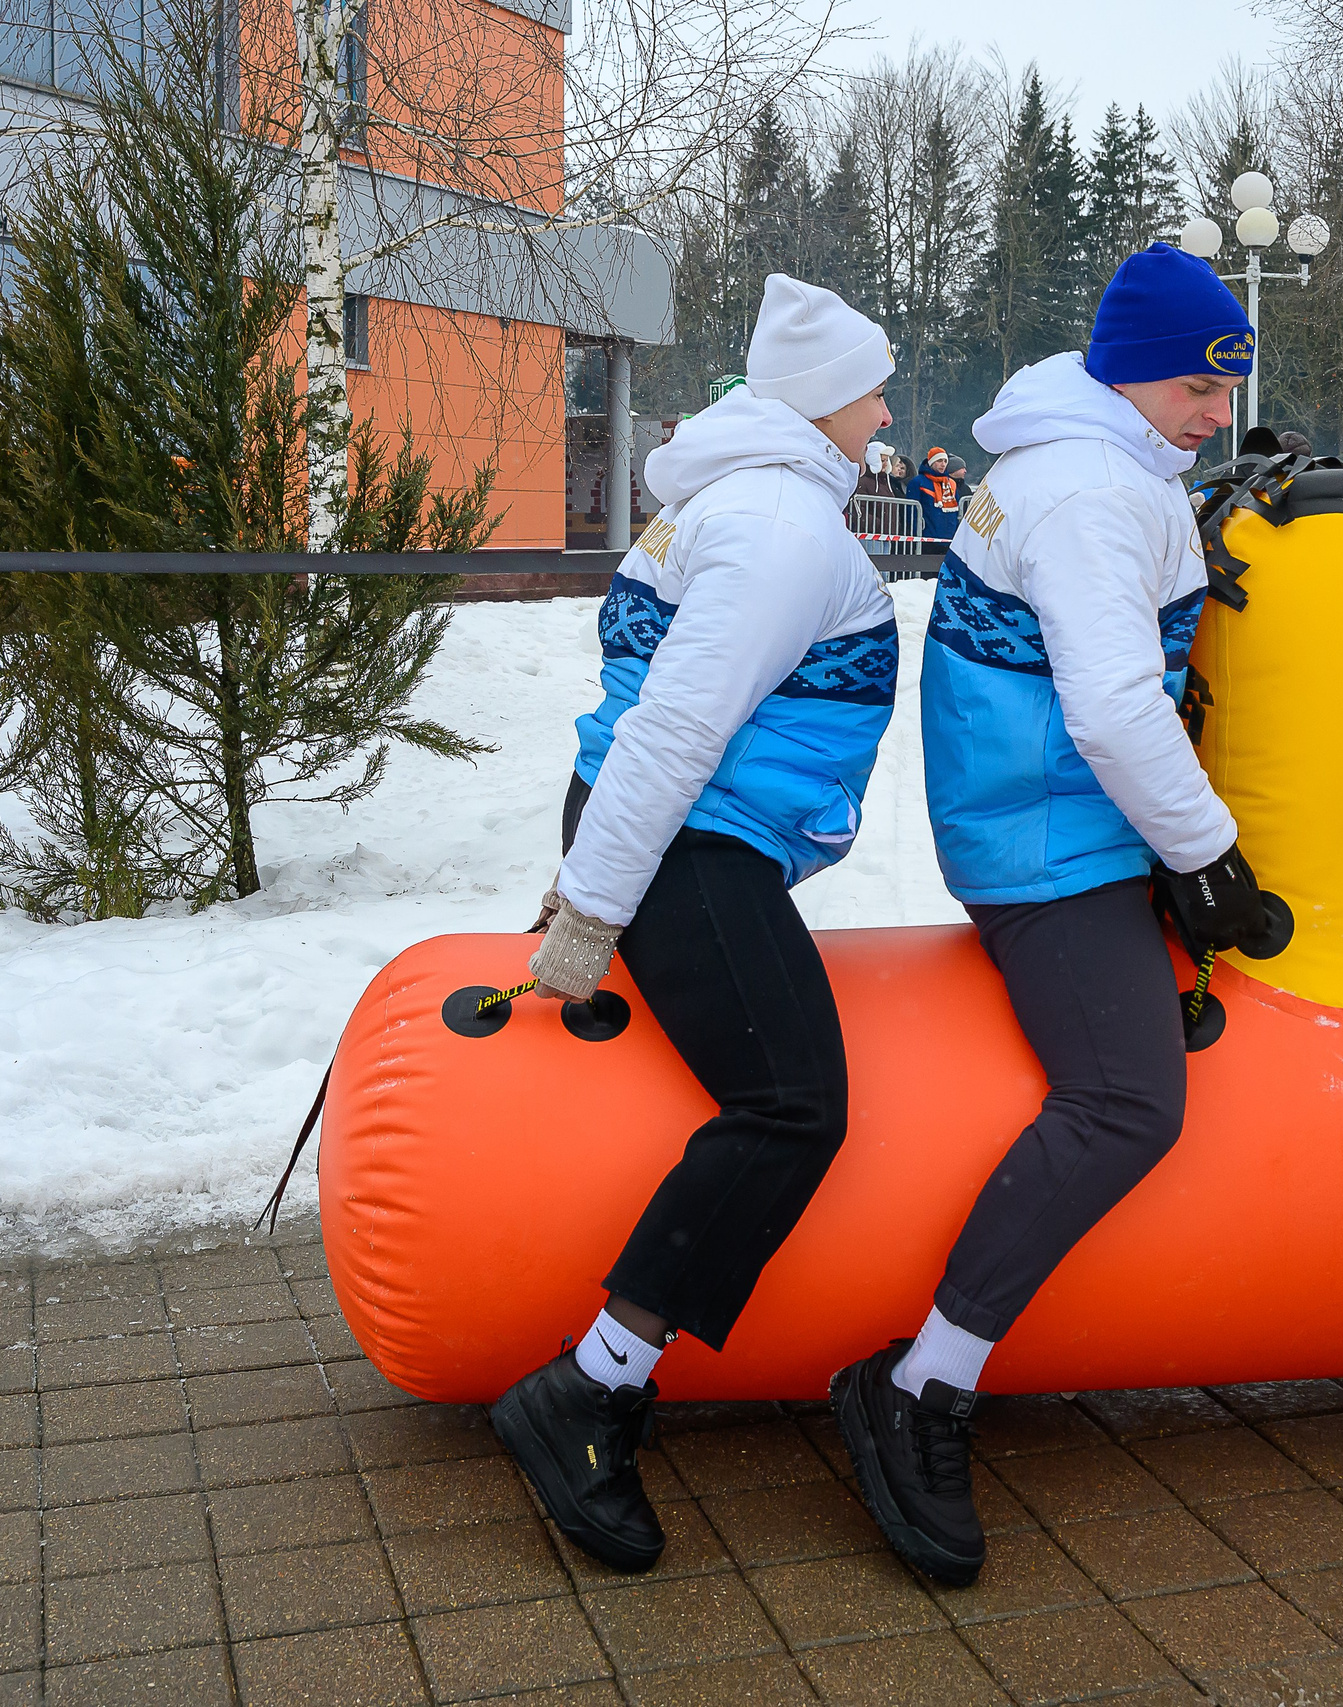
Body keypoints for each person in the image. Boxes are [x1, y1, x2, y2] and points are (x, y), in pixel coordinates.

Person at [829, 243, 1288, 1589]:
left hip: (1058, 809)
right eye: (1199, 387)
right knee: (1127, 1100)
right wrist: (1204, 858)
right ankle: (921, 1382)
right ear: (1130, 369)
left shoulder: (1086, 456)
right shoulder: (1089, 490)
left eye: (1228, 387)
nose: (1215, 412)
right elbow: (1107, 700)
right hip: (1048, 839)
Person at [493, 274, 901, 1575]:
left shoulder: (729, 497)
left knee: (786, 1089)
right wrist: (595, 908)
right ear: (825, 401)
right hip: (685, 840)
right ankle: (591, 1385)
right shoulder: (780, 522)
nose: (887, 410)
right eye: (872, 387)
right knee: (793, 1102)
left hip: (683, 834)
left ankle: (601, 1379)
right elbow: (673, 726)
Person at [912, 446, 962, 555]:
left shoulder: (951, 483)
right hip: (928, 537)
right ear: (931, 462)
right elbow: (912, 510)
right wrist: (917, 531)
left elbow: (957, 510)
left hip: (949, 536)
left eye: (945, 461)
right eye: (939, 461)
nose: (943, 464)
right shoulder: (918, 482)